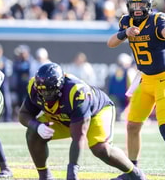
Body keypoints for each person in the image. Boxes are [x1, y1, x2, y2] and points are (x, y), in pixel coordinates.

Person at [18, 62, 146, 180]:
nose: (45, 95)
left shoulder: (76, 93)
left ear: (60, 86)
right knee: (33, 133)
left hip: (96, 112)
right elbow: (23, 114)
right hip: (63, 117)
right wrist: (37, 126)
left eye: (50, 91)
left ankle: (134, 173)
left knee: (101, 149)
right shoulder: (34, 87)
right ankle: (44, 176)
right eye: (42, 91)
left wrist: (72, 172)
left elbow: (78, 137)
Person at [107, 0, 165, 180]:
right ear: (129, 5)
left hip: (163, 79)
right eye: (134, 3)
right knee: (132, 125)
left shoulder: (157, 19)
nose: (137, 7)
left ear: (149, 5)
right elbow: (111, 43)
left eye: (141, 3)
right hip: (144, 80)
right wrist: (125, 33)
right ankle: (133, 172)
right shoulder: (126, 21)